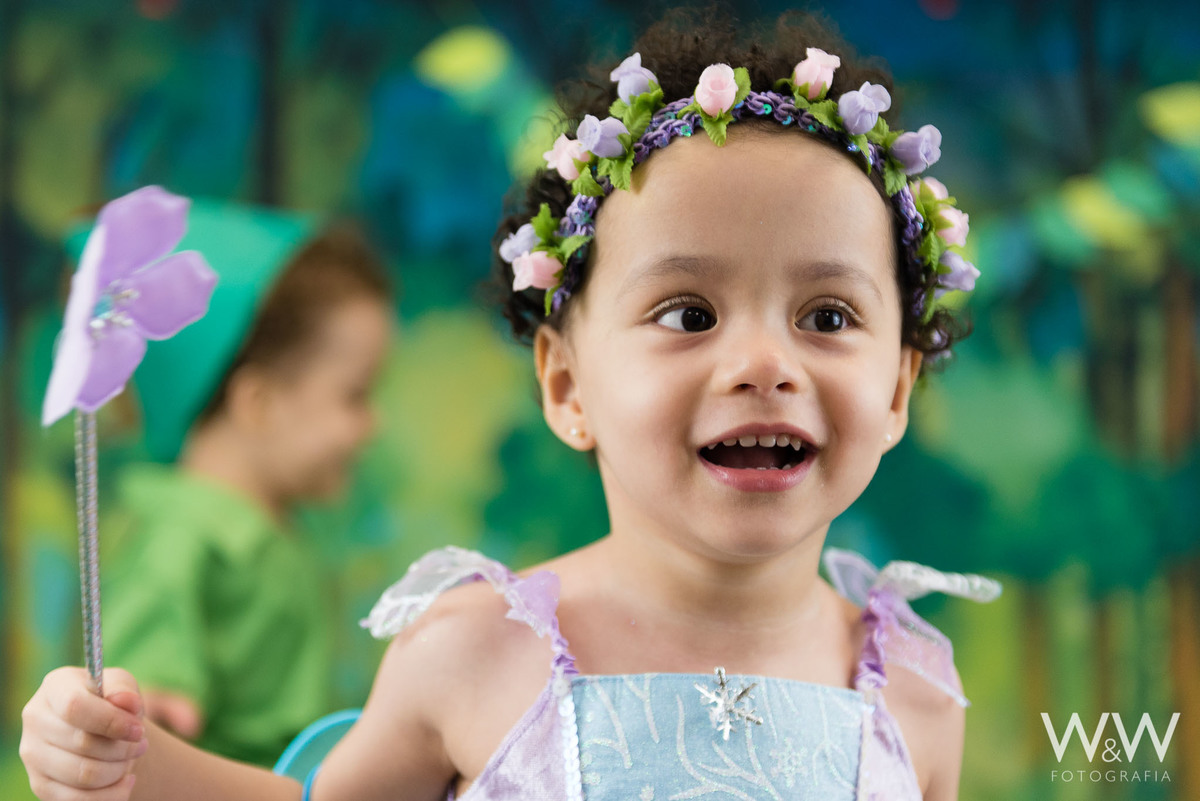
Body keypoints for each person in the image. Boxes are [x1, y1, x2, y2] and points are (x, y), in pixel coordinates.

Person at [18, 8, 998, 800]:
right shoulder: (478, 649)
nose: (762, 361)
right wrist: (131, 764)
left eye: (827, 315)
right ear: (567, 385)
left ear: (899, 387)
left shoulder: (916, 695)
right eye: (689, 311)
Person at [74, 203, 394, 766]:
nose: (372, 427)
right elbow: (135, 698)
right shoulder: (182, 543)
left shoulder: (272, 533)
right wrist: (148, 706)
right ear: (260, 404)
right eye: (355, 396)